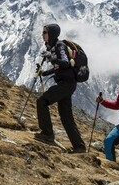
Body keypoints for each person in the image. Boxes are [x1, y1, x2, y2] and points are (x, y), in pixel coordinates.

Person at [34, 23, 86, 154]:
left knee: (42, 101)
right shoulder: (53, 47)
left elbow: (65, 62)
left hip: (66, 84)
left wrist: (51, 57)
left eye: (45, 33)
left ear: (51, 34)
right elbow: (59, 67)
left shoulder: (59, 46)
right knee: (65, 116)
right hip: (68, 84)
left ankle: (47, 134)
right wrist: (43, 73)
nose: (42, 35)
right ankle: (79, 147)